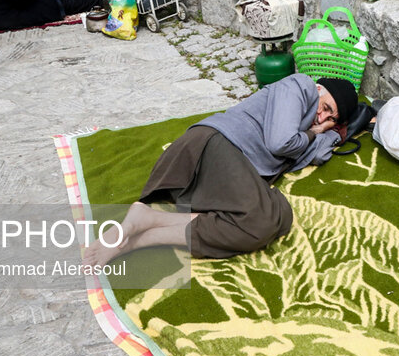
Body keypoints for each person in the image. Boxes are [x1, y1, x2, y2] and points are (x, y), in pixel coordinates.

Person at [83, 73, 358, 264]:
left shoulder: (314, 124)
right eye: (325, 108)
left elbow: (317, 154)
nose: (321, 117)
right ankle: (144, 232)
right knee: (261, 220)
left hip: (228, 173)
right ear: (319, 90)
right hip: (215, 146)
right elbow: (280, 143)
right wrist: (312, 133)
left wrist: (326, 131)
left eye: (331, 118)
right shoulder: (300, 87)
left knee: (280, 217)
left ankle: (148, 227)